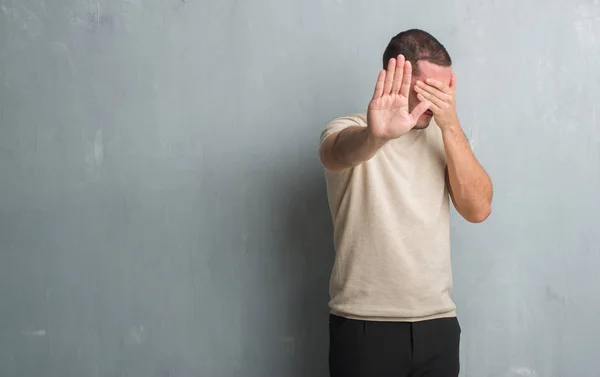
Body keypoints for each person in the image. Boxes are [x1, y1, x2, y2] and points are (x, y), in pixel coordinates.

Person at [318, 29, 493, 377]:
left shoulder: (446, 138)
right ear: (397, 77)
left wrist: (451, 126)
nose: (438, 101)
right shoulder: (351, 128)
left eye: (445, 91)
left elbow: (478, 210)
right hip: (364, 324)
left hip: (438, 323)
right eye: (428, 90)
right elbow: (336, 153)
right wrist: (375, 135)